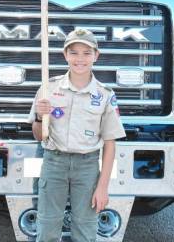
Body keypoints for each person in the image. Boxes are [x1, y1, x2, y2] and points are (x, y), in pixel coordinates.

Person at [29, 29, 126, 242]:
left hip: (87, 166)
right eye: (74, 53)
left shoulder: (104, 95)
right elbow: (38, 135)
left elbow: (110, 144)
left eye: (86, 53)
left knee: (85, 229)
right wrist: (39, 116)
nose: (79, 59)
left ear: (96, 56)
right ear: (65, 55)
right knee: (47, 227)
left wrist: (102, 187)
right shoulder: (48, 88)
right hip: (54, 163)